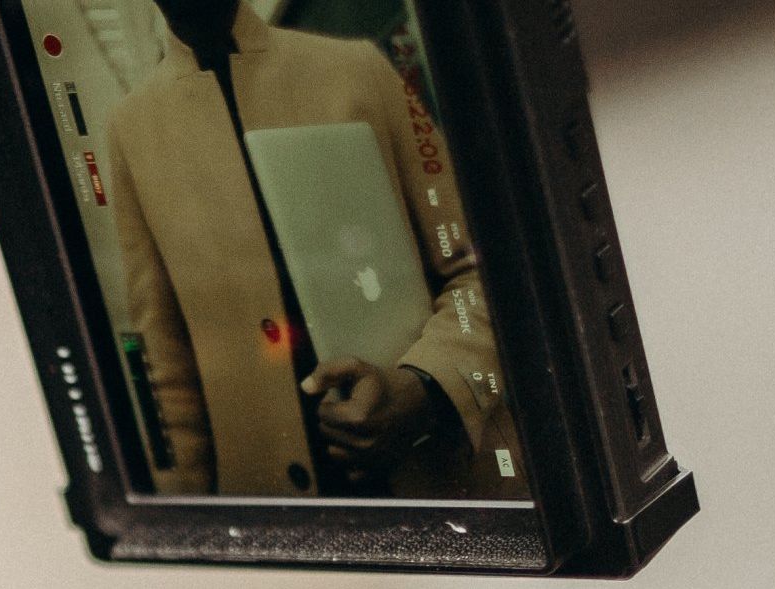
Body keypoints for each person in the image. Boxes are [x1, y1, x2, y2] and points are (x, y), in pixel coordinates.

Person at [108, 0, 513, 499]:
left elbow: (484, 269)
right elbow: (169, 371)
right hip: (274, 520)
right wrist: (189, 534)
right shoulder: (131, 129)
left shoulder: (357, 70)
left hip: (434, 482)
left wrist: (428, 385)